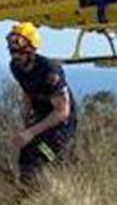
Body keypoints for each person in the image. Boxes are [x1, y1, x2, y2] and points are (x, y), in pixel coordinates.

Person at [6, 21, 76, 185]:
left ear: (31, 49)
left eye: (20, 52)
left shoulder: (50, 70)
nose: (15, 56)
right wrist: (26, 123)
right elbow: (27, 93)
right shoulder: (16, 67)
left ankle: (42, 195)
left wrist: (31, 132)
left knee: (36, 159)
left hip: (60, 125)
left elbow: (62, 111)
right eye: (12, 52)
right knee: (25, 155)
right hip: (41, 119)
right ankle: (27, 194)